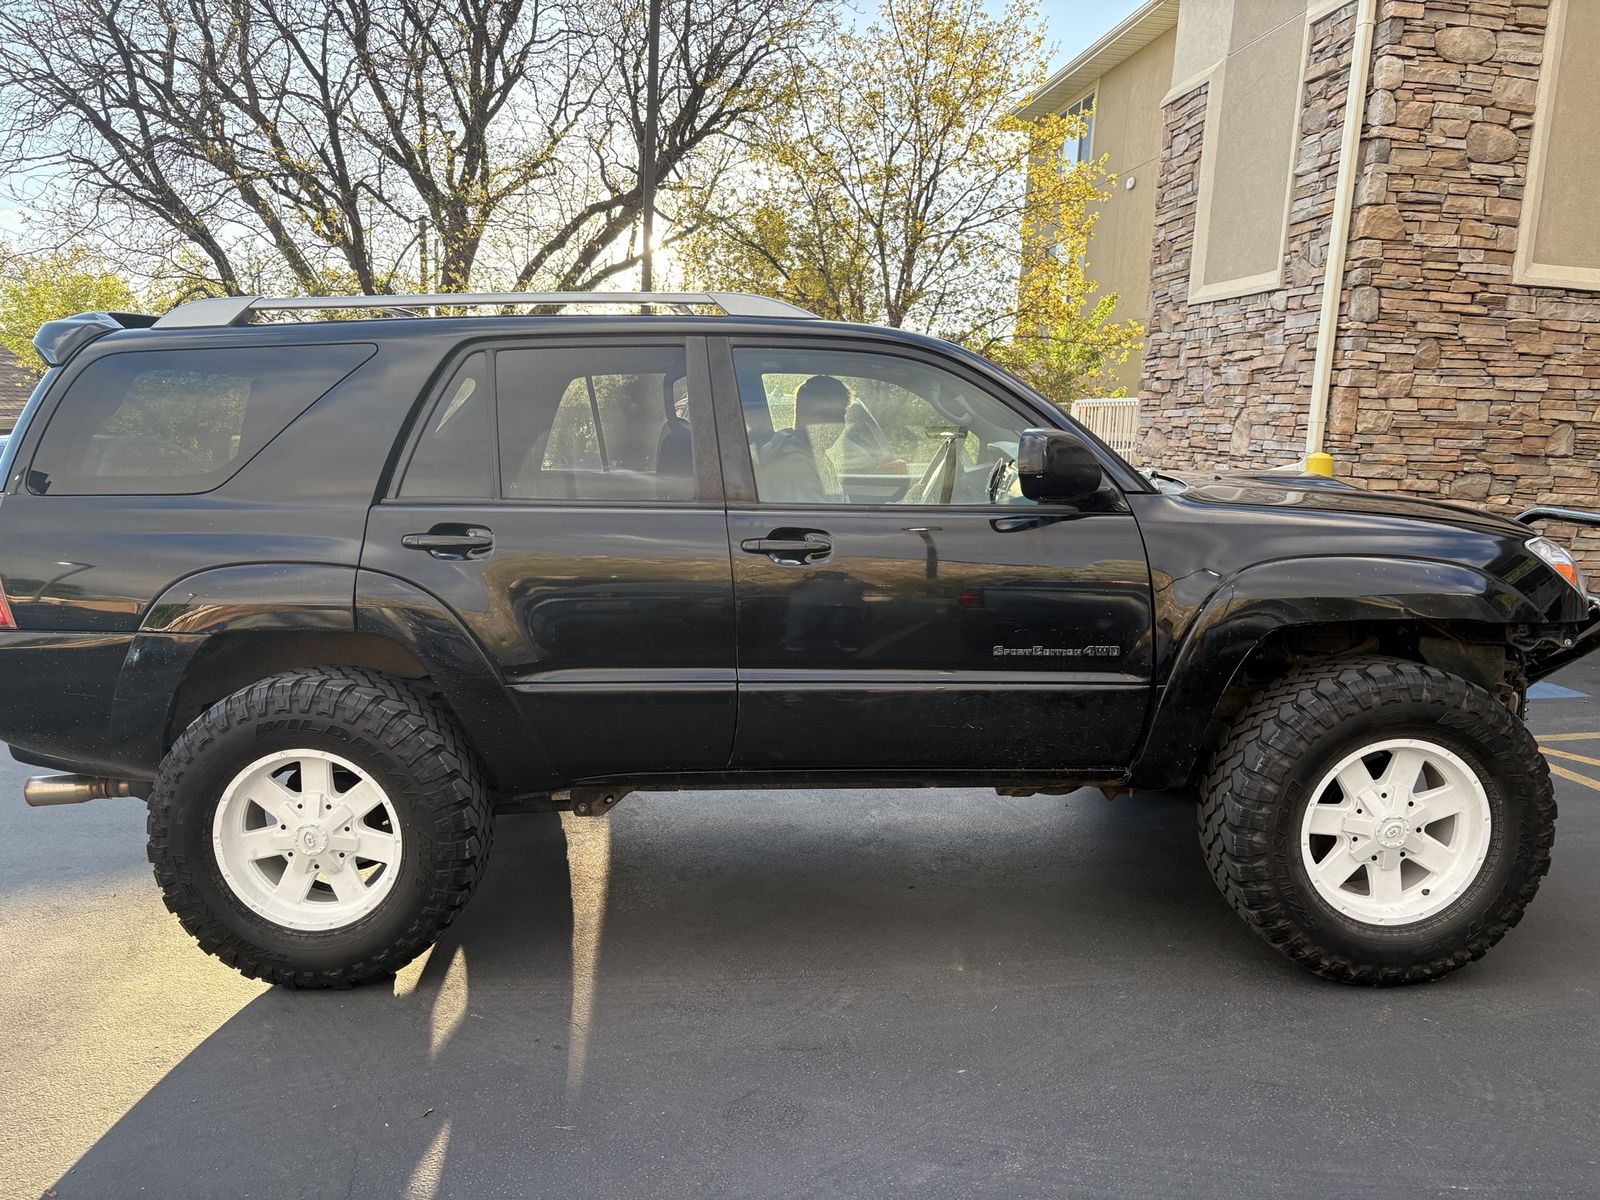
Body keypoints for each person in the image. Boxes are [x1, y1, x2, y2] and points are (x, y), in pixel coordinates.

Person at [756, 374, 852, 503]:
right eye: (825, 414)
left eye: (841, 414)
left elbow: (838, 506)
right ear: (802, 415)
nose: (836, 423)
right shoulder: (794, 464)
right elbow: (816, 521)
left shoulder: (816, 454)